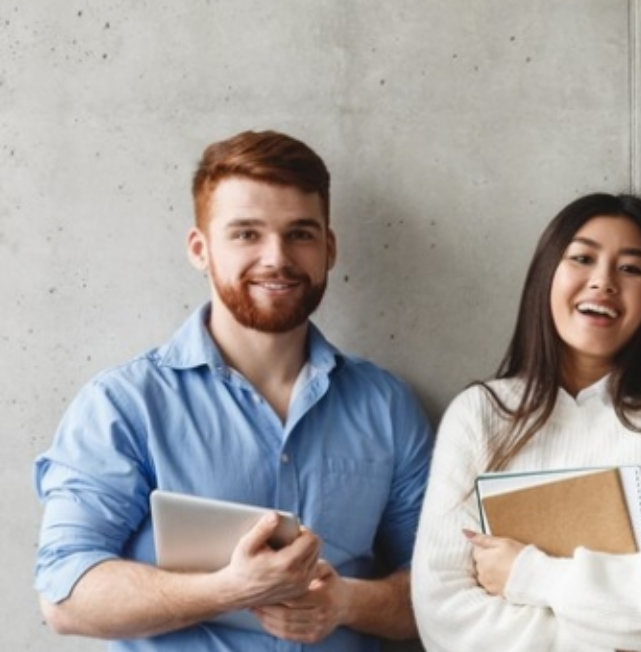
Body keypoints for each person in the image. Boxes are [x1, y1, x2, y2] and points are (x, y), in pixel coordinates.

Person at [33, 130, 429, 650]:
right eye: (246, 234)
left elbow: (442, 592)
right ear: (200, 249)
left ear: (328, 249)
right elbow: (66, 593)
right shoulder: (125, 405)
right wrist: (230, 590)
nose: (276, 258)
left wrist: (347, 603)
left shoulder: (387, 406)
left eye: (300, 234)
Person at [410, 193, 641, 651]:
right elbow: (445, 617)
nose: (603, 282)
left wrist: (528, 574)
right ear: (547, 273)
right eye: (583, 258)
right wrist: (629, 629)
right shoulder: (480, 414)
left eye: (630, 268)